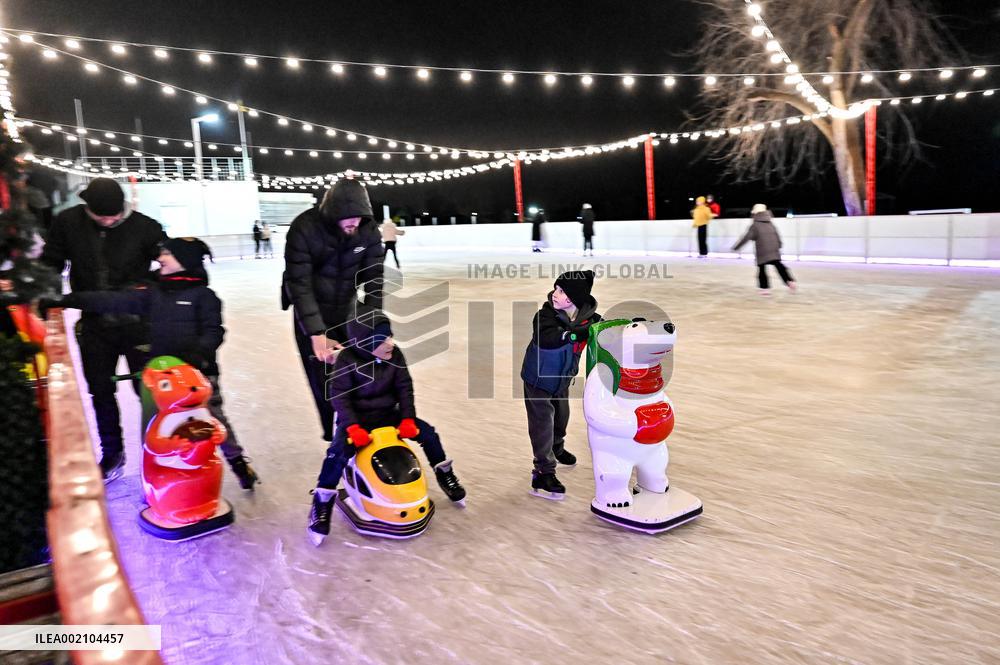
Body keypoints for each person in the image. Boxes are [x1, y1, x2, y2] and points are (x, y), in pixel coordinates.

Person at [55, 237, 259, 489]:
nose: (160, 258)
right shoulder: (154, 293)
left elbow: (214, 332)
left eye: (167, 254)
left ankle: (237, 460)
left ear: (184, 262)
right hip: (163, 377)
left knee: (211, 420)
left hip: (198, 377)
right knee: (161, 426)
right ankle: (168, 473)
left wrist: (198, 354)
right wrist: (67, 300)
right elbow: (110, 300)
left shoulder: (204, 297)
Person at [41, 177, 167, 482]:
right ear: (87, 209)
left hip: (140, 326)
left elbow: (169, 262)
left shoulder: (145, 226)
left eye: (115, 215)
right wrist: (44, 293)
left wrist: (150, 290)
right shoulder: (68, 223)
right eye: (102, 216)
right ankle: (112, 453)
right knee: (100, 392)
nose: (109, 221)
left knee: (150, 393)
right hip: (95, 326)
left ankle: (161, 455)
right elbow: (50, 263)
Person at [308, 308, 465, 544]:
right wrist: (352, 428)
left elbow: (405, 387)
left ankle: (445, 475)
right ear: (365, 345)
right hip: (357, 422)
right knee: (337, 454)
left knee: (429, 434)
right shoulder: (347, 360)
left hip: (388, 415)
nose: (390, 343)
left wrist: (408, 418)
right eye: (382, 340)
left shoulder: (395, 355)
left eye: (390, 336)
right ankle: (322, 503)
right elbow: (340, 397)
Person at [282, 178, 384, 444]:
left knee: (359, 370)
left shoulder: (368, 230)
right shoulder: (305, 228)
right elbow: (299, 284)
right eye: (348, 218)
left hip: (346, 309)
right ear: (333, 213)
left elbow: (374, 281)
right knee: (324, 377)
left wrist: (374, 326)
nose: (354, 224)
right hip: (311, 310)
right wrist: (316, 333)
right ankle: (336, 437)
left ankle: (360, 429)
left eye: (359, 218)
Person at [520, 270, 601, 500]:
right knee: (542, 423)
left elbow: (604, 330)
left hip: (561, 379)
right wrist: (575, 335)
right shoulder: (544, 316)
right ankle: (543, 472)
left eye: (562, 291)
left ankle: (557, 447)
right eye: (556, 288)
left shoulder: (590, 320)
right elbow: (550, 338)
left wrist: (626, 328)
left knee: (562, 417)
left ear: (575, 298)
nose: (555, 294)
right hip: (537, 379)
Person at [732, 203, 797, 296]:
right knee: (778, 265)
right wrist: (779, 245)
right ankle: (790, 281)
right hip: (774, 248)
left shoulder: (755, 225)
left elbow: (746, 237)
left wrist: (737, 247)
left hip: (762, 250)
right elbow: (777, 235)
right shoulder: (770, 223)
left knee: (762, 268)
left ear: (755, 213)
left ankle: (765, 288)